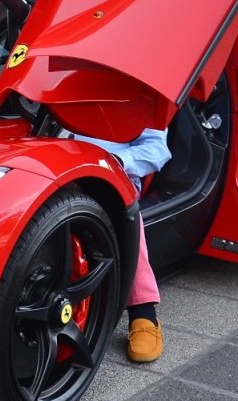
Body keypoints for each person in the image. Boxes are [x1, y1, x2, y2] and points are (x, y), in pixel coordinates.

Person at [72, 128, 171, 363]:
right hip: (53, 165)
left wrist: (116, 161)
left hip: (112, 174)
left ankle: (143, 312)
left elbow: (158, 149)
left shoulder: (146, 96)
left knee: (120, 206)